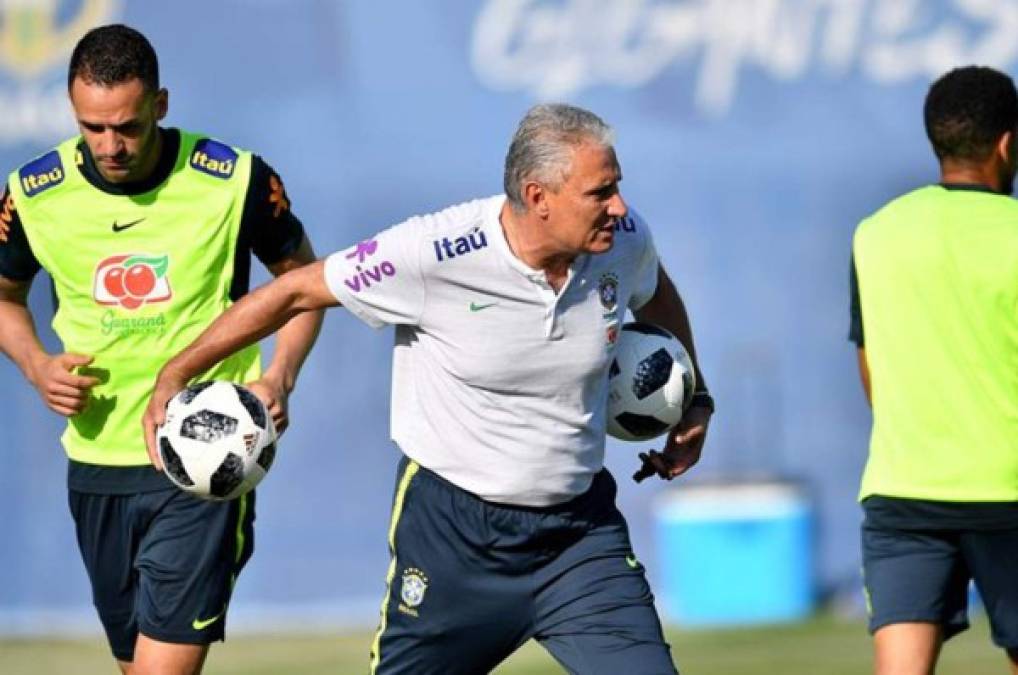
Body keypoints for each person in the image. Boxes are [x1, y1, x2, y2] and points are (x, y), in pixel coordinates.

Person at [144, 103, 714, 674]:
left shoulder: (624, 237)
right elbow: (294, 292)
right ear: (538, 196)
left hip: (579, 542)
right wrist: (176, 375)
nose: (618, 206)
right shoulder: (431, 252)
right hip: (453, 542)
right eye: (600, 192)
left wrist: (694, 397)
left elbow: (654, 290)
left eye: (617, 188)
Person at [0, 24, 322, 675]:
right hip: (94, 461)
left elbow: (305, 285)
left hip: (201, 462)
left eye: (127, 126)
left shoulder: (234, 180)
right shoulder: (34, 194)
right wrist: (36, 364)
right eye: (92, 127)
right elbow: (5, 297)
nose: (110, 145)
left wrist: (280, 374)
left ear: (161, 105)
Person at [850, 65, 1018, 675]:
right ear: (1007, 142)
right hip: (1010, 490)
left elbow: (870, 368)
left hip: (905, 491)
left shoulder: (876, 234)